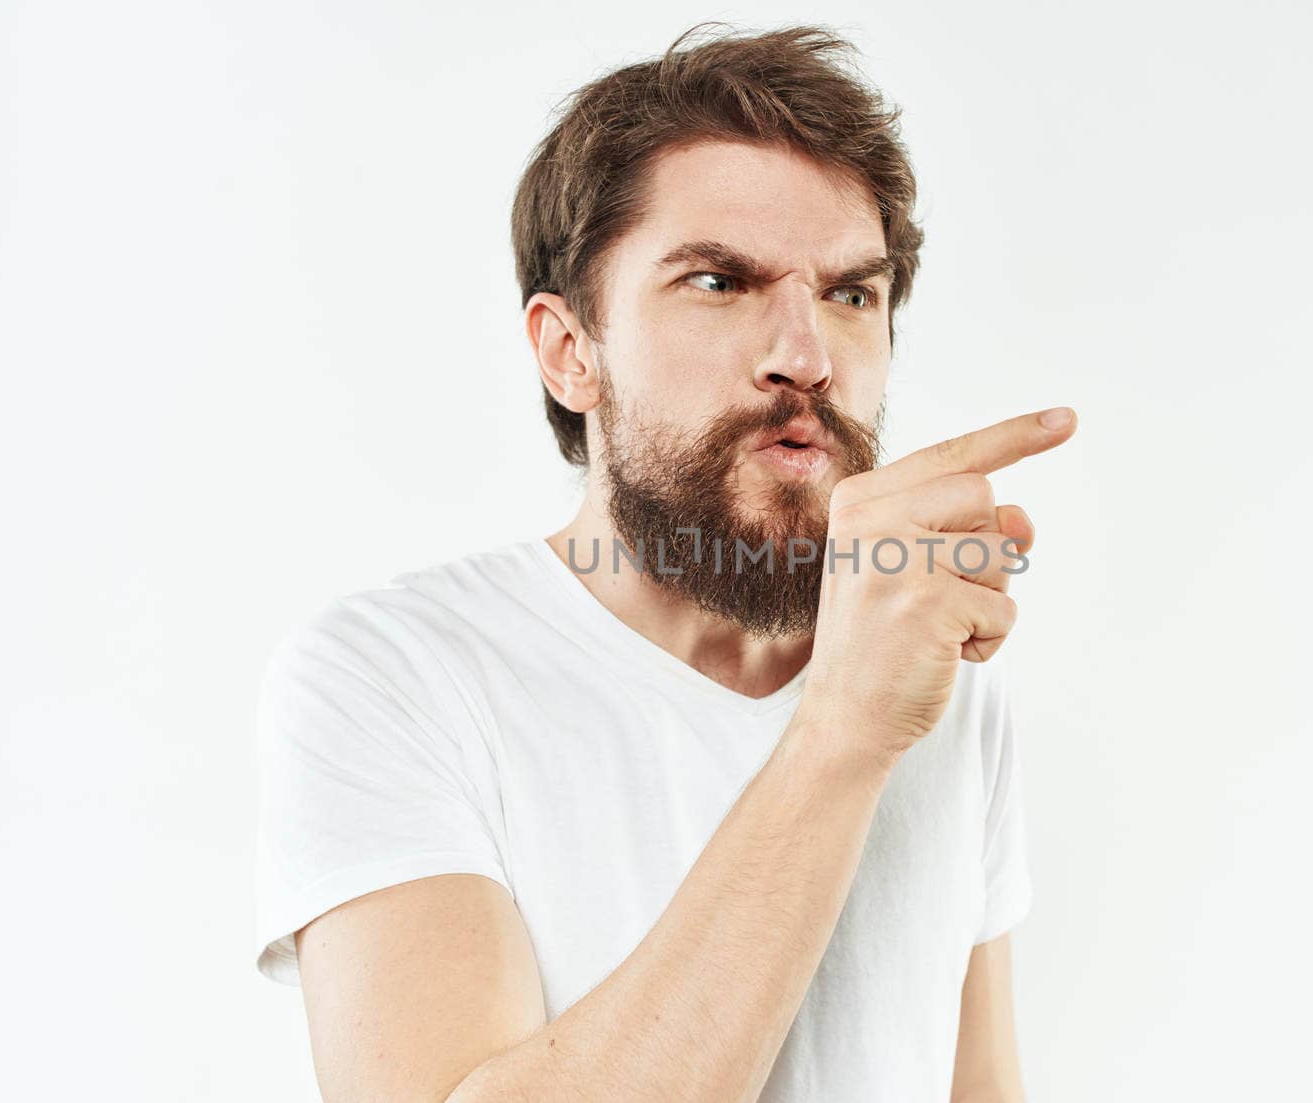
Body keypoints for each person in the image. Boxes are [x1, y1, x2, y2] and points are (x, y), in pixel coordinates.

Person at [252, 22, 1077, 1102]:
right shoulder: (394, 673)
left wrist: (875, 697)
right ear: (568, 350)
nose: (806, 356)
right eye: (719, 282)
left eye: (850, 293)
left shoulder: (939, 673)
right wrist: (842, 728)